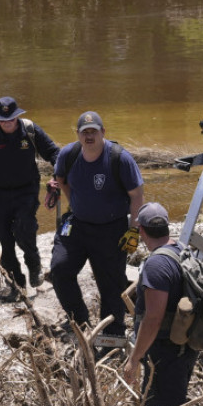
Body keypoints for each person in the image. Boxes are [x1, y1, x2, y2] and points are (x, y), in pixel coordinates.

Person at [49, 111, 144, 337]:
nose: (89, 136)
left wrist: (134, 229)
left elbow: (137, 195)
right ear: (78, 134)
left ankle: (112, 334)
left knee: (111, 284)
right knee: (60, 270)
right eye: (85, 132)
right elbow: (61, 180)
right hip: (77, 226)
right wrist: (75, 204)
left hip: (112, 229)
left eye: (93, 131)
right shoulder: (68, 154)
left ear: (103, 132)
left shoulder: (120, 158)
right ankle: (79, 321)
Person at [124, 202, 199, 406]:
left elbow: (153, 318)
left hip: (166, 348)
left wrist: (134, 358)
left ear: (141, 230)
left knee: (172, 404)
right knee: (156, 394)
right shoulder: (181, 250)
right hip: (183, 343)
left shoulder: (156, 265)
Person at [0, 96, 60, 294]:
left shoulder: (31, 130)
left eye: (11, 119)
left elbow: (54, 153)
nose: (7, 123)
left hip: (26, 190)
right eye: (2, 120)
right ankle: (16, 284)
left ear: (17, 116)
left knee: (24, 228)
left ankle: (34, 264)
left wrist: (58, 176)